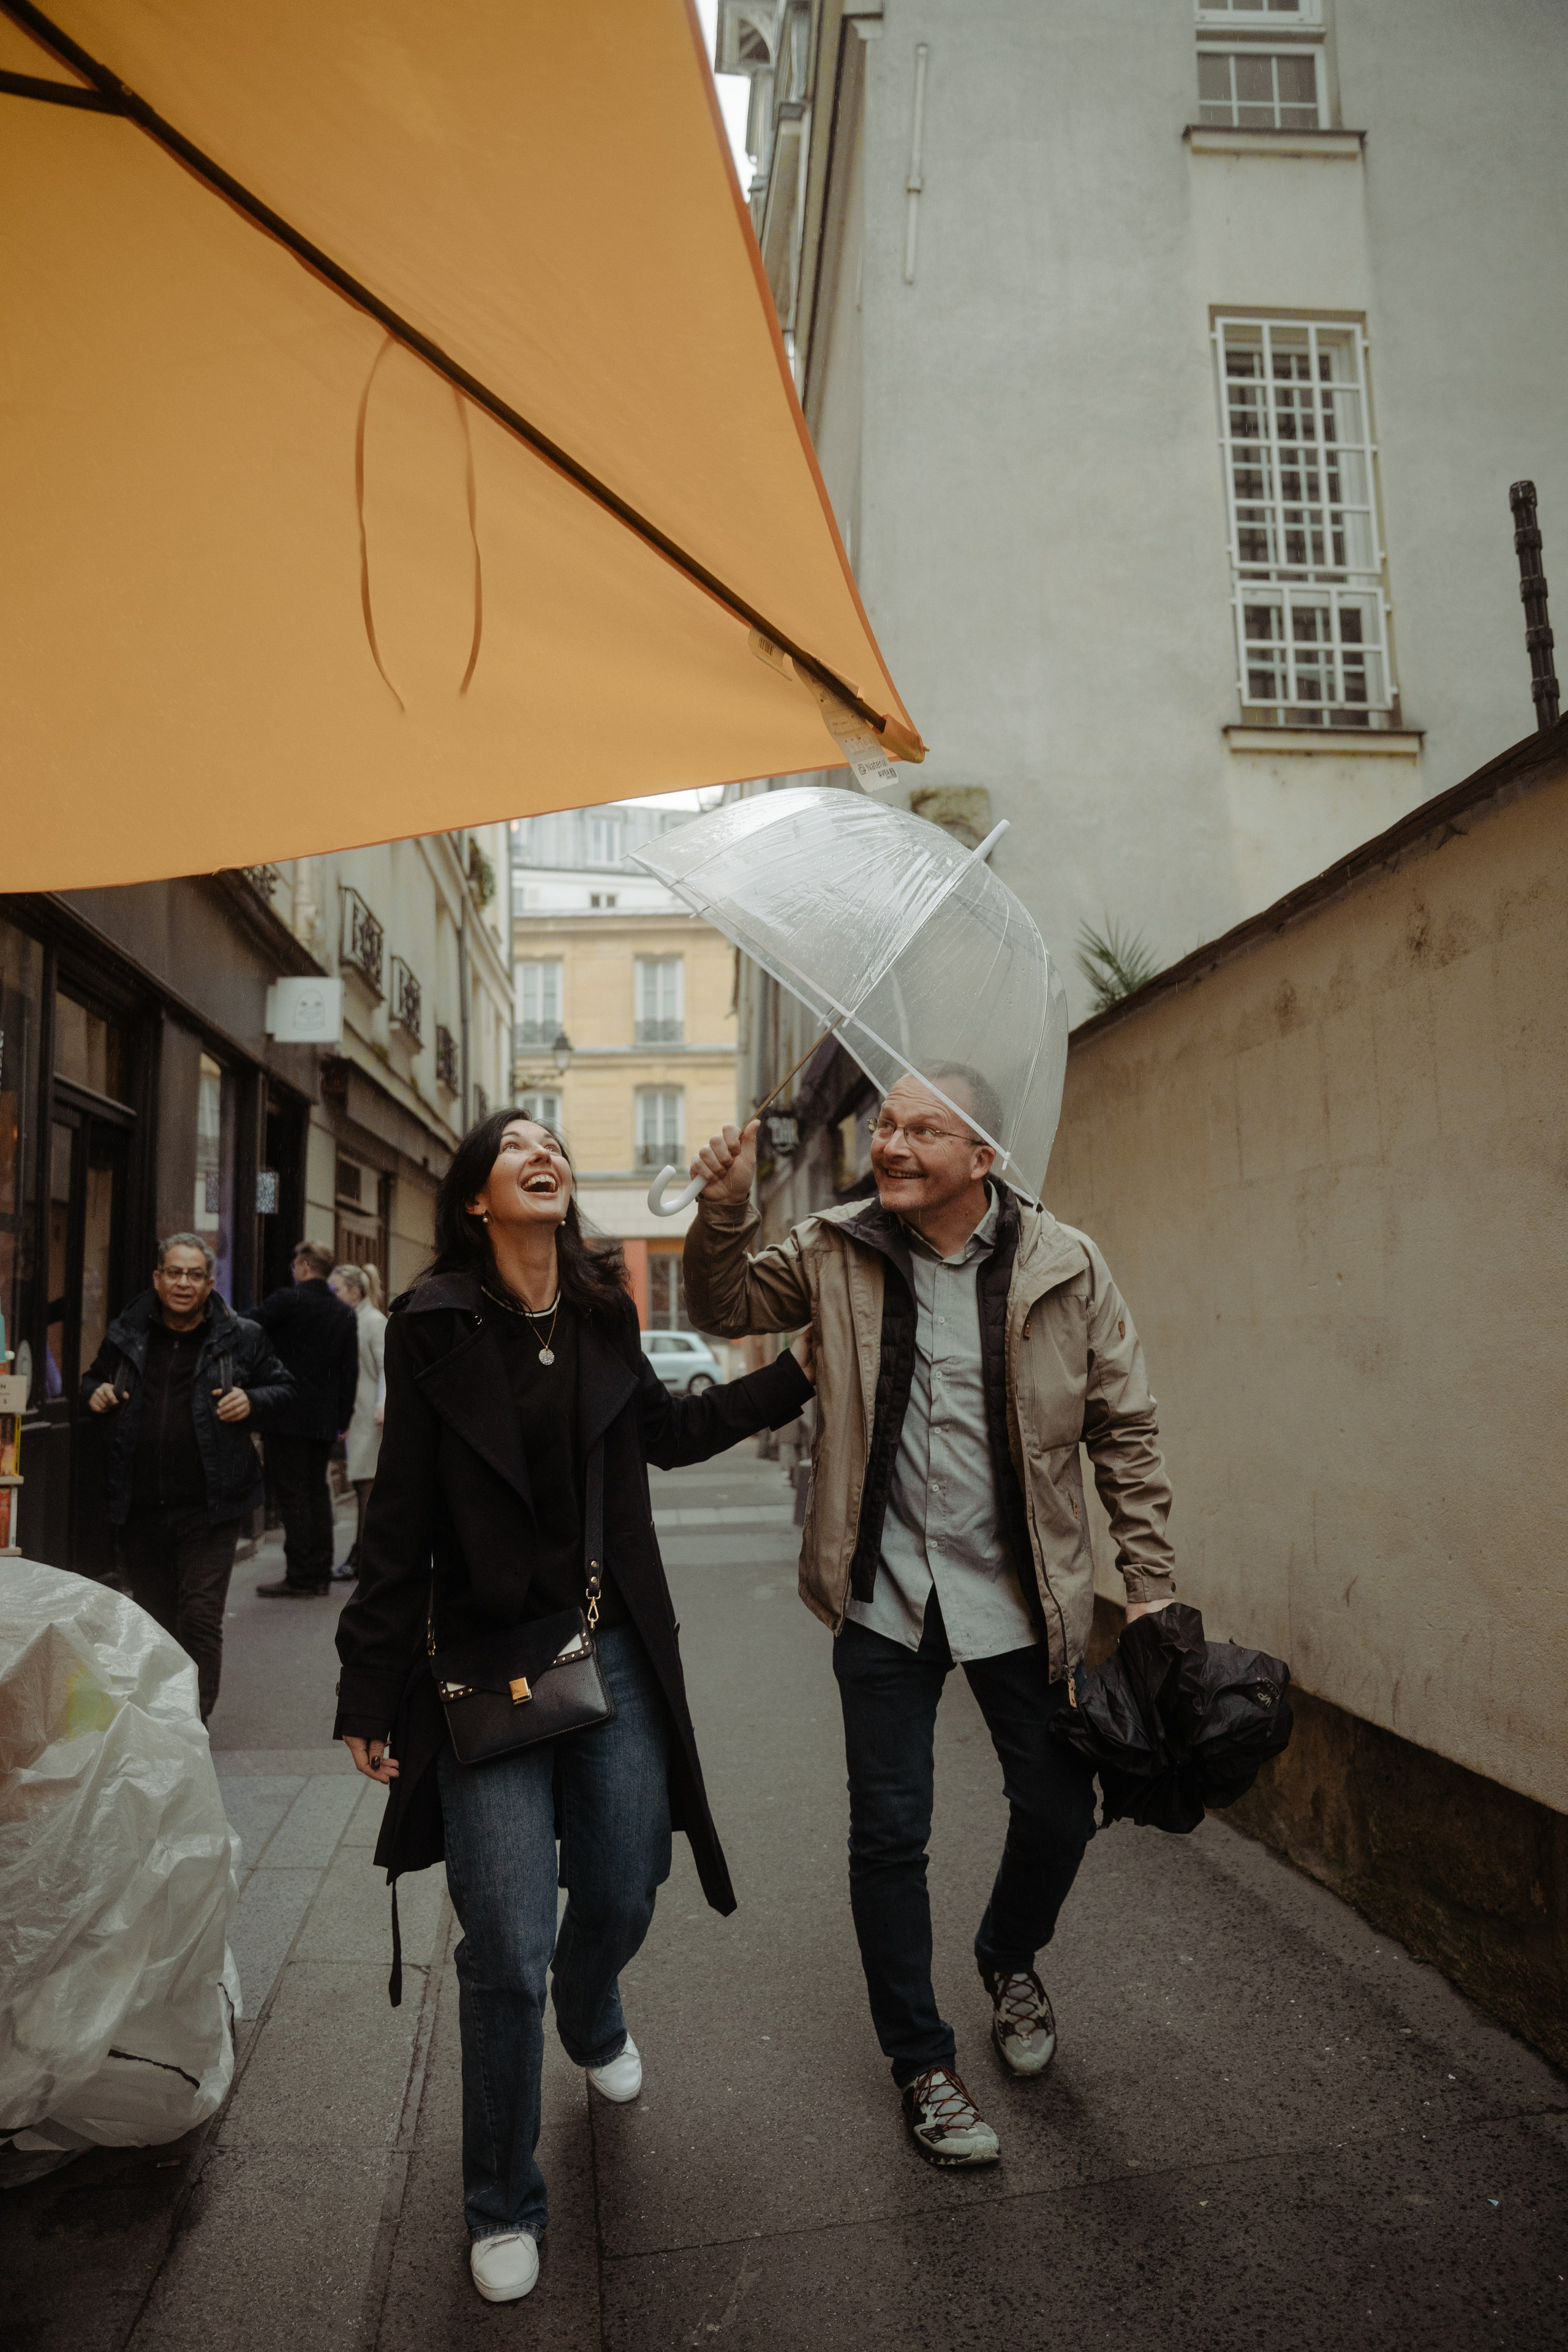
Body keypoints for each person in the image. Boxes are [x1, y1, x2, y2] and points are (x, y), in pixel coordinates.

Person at [333, 1109, 814, 2306]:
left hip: (608, 1658)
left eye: (550, 1141)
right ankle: (500, 2198)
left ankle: (592, 2005)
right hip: (483, 1675)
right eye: (512, 1147)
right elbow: (394, 1527)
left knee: (621, 1881)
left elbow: (668, 1433)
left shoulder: (602, 1312)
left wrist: (795, 1378)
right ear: (475, 1199)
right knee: (503, 1946)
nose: (540, 1152)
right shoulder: (437, 1327)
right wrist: (367, 1689)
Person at [684, 1069, 1177, 2169]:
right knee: (887, 1836)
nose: (891, 1146)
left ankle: (1009, 1955)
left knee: (1058, 1808)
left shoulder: (1066, 1263)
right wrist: (726, 1209)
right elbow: (721, 1311)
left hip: (1020, 1597)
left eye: (921, 1131)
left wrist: (1148, 1584)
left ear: (984, 1158)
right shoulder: (832, 1246)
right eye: (885, 1127)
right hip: (884, 1597)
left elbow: (1125, 1431)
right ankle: (923, 2064)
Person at [81, 1232, 295, 1720]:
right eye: (174, 1273)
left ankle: (192, 1723)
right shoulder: (127, 1332)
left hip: (211, 1505)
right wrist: (93, 1394)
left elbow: (284, 1388)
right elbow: (93, 1380)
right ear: (158, 1279)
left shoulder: (241, 1336)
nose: (183, 1283)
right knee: (155, 1619)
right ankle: (163, 1716)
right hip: (140, 1505)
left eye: (194, 1274)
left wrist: (254, 1400)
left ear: (209, 1282)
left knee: (199, 1615)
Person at [253, 1239, 359, 1599]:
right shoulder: (343, 1313)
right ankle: (320, 1573)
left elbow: (249, 1329)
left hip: (285, 1411)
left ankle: (300, 1574)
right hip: (323, 1417)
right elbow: (350, 1371)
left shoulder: (287, 1301)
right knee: (316, 1491)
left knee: (293, 1494)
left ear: (304, 1268)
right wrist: (342, 1418)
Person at [328, 1261, 386, 1580]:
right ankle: (363, 1554)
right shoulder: (355, 1319)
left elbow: (386, 1366)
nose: (333, 1296)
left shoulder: (373, 1321)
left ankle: (362, 1554)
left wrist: (383, 1403)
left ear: (354, 1291)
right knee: (364, 1484)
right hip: (360, 1413)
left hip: (370, 1416)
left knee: (367, 1485)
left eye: (336, 1290)